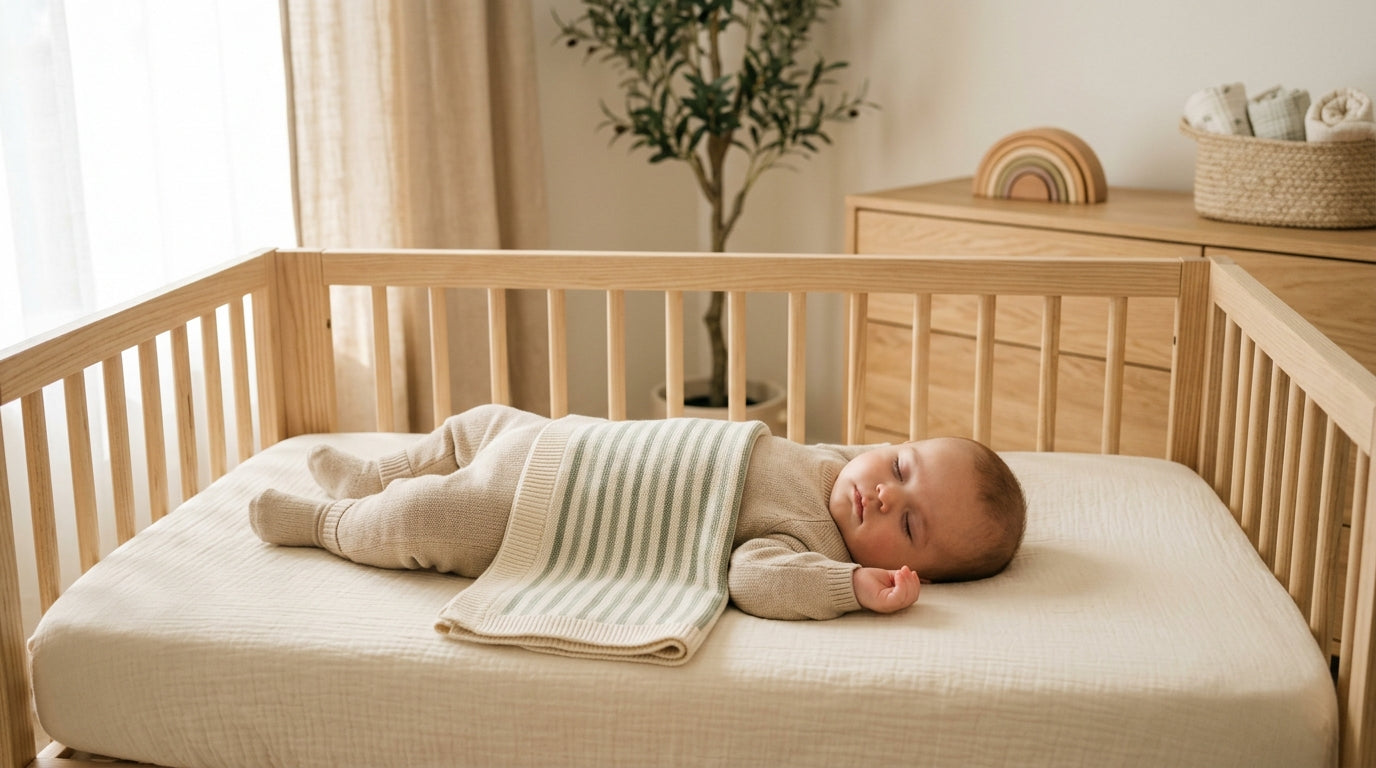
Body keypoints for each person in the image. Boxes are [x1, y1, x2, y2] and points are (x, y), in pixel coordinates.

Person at [249, 404, 1026, 621]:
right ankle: (372, 471)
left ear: (901, 566)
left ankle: (324, 524)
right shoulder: (832, 459)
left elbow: (753, 582)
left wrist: (849, 592)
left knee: (424, 519)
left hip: (547, 511)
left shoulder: (812, 545)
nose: (885, 492)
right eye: (900, 465)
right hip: (569, 444)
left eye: (910, 524)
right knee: (480, 423)